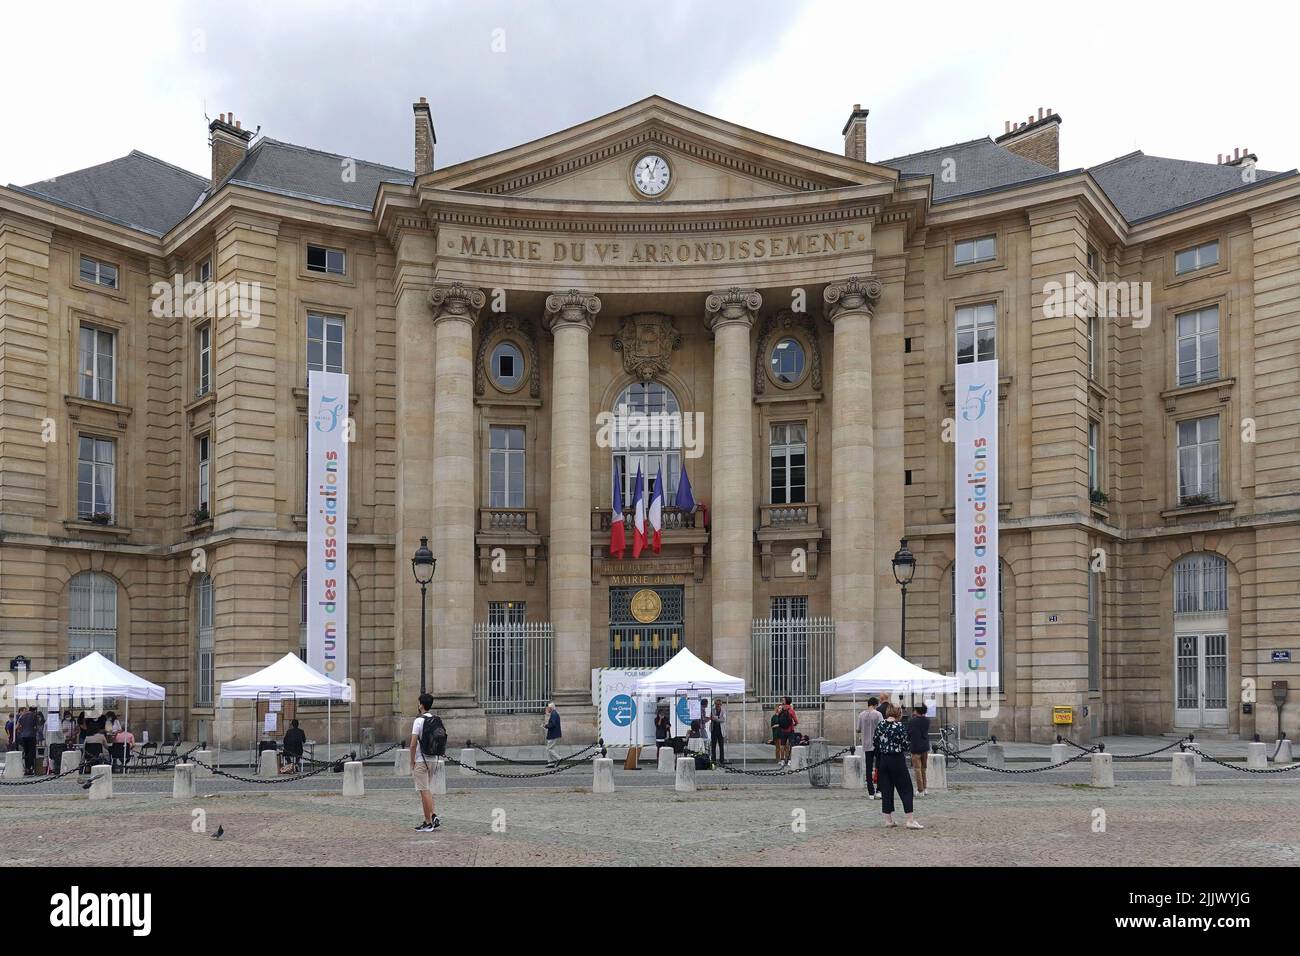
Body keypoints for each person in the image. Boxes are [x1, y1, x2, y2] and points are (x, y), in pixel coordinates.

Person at [873, 704, 922, 829]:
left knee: (887, 789)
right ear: (898, 713)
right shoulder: (899, 726)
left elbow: (875, 743)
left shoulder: (880, 725)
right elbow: (905, 744)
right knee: (906, 788)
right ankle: (910, 820)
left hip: (883, 760)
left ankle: (888, 820)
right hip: (897, 759)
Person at [409, 693, 443, 833]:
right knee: (426, 790)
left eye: (418, 703)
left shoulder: (418, 721)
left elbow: (412, 744)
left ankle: (432, 818)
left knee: (424, 791)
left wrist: (412, 761)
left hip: (421, 759)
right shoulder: (436, 719)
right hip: (433, 758)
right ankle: (428, 820)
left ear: (421, 705)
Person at [858, 697, 883, 799]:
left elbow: (858, 729)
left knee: (868, 768)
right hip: (877, 744)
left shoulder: (861, 715)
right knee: (879, 767)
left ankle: (870, 792)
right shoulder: (878, 714)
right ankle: (879, 790)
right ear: (876, 705)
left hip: (866, 744)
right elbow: (882, 727)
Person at [908, 705, 931, 796]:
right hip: (925, 747)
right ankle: (925, 788)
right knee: (923, 769)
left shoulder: (912, 721)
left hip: (916, 747)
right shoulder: (927, 720)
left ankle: (920, 789)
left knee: (917, 769)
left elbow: (909, 733)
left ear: (916, 711)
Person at [16, 706, 39, 775]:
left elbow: (18, 727)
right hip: (31, 736)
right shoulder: (34, 716)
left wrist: (21, 732)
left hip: (23, 736)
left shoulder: (22, 717)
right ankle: (30, 768)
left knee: (26, 752)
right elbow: (36, 727)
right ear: (34, 711)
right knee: (31, 753)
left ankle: (27, 768)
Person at [777, 696, 799, 767]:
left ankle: (782, 760)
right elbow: (796, 721)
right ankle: (789, 760)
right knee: (790, 745)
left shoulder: (781, 709)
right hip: (790, 730)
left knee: (782, 745)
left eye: (783, 700)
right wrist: (794, 724)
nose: (782, 701)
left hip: (782, 730)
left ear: (785, 701)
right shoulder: (791, 710)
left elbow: (778, 718)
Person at [543, 702, 562, 768]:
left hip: (553, 734)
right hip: (553, 734)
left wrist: (546, 726)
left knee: (549, 749)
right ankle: (550, 763)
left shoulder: (554, 714)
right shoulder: (554, 713)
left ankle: (559, 758)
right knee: (549, 748)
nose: (547, 709)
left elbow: (553, 724)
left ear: (551, 708)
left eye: (548, 708)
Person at [709, 699, 726, 765]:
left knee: (721, 746)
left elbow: (723, 719)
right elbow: (711, 717)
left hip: (720, 730)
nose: (718, 705)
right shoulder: (712, 710)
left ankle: (722, 760)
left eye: (719, 704)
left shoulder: (723, 711)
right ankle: (714, 760)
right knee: (713, 746)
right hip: (714, 730)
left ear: (721, 705)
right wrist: (717, 718)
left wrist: (716, 718)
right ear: (715, 704)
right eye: (716, 704)